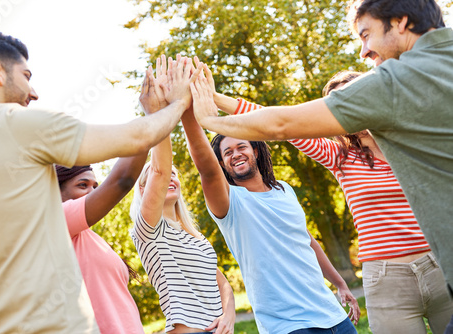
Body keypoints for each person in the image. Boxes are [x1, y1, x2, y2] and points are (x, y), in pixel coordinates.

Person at [190, 1, 453, 329]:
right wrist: (213, 103)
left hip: (438, 264)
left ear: (400, 22)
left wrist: (208, 117)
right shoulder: (341, 155)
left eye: (367, 34)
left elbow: (282, 122)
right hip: (389, 276)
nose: (364, 51)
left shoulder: (400, 100)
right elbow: (282, 124)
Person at [0, 30, 197, 333]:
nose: (33, 92)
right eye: (26, 75)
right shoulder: (15, 122)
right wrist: (176, 104)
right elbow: (135, 143)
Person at [183, 75, 359, 333]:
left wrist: (340, 283)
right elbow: (205, 167)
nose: (236, 154)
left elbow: (307, 240)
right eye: (227, 152)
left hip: (332, 315)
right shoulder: (229, 203)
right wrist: (189, 111)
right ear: (221, 163)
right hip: (287, 325)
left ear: (255, 150)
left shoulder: (284, 189)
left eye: (240, 146)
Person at [129, 56, 235, 334]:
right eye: (161, 176)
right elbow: (161, 171)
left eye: (177, 174)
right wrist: (159, 112)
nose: (171, 176)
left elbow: (223, 284)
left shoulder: (195, 236)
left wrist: (229, 315)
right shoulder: (148, 230)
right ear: (144, 190)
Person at [56, 155, 147, 333]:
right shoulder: (58, 219)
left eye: (95, 186)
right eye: (83, 185)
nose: (93, 192)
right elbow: (122, 180)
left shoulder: (91, 237)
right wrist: (149, 133)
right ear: (56, 191)